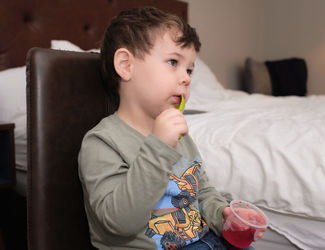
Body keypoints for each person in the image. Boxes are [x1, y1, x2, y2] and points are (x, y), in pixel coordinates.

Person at [78, 7, 265, 250]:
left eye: (189, 69)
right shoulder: (102, 142)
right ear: (126, 65)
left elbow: (202, 191)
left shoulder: (180, 136)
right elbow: (119, 223)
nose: (186, 78)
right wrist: (158, 147)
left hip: (206, 240)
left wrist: (223, 215)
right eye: (173, 62)